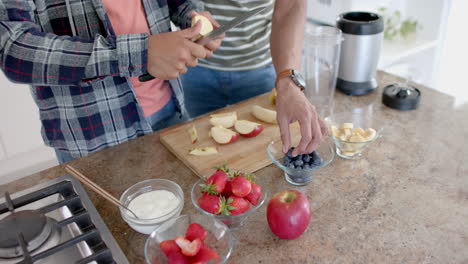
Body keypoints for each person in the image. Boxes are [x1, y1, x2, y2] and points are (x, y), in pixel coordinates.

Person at [0, 0, 222, 163]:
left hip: (171, 110)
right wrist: (139, 53)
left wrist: (194, 17)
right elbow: (13, 48)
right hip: (93, 136)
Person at [181, 0, 328, 156]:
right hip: (196, 65)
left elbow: (290, 5)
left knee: (259, 148)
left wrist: (289, 80)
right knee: (198, 142)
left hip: (261, 69)